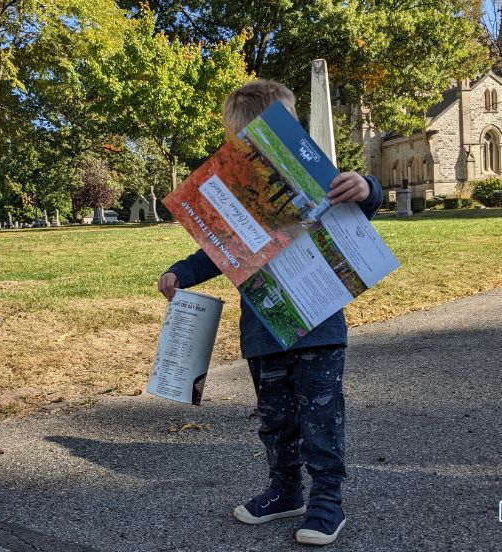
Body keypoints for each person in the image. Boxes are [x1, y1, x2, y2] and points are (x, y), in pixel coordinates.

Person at [157, 79, 384, 546]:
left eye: (286, 128)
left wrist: (367, 188)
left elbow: (363, 208)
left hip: (319, 326)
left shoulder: (321, 176)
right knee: (275, 419)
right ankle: (286, 490)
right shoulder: (235, 193)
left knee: (321, 419)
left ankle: (326, 500)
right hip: (264, 332)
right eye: (251, 140)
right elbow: (213, 252)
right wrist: (180, 271)